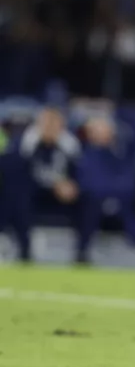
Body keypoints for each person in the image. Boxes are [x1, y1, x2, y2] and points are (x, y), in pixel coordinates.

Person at [76, 116, 135, 263]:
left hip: (122, 199)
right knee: (89, 209)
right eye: (95, 131)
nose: (100, 135)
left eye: (104, 131)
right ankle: (82, 252)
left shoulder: (121, 151)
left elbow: (127, 180)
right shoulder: (84, 154)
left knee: (127, 211)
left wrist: (113, 198)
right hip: (94, 200)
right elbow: (85, 182)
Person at [9, 107, 81, 262]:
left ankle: (82, 253)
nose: (50, 128)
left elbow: (82, 173)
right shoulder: (25, 142)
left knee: (90, 197)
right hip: (34, 191)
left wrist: (72, 186)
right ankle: (24, 251)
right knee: (18, 197)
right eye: (46, 123)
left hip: (62, 195)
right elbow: (16, 173)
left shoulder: (71, 146)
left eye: (55, 124)